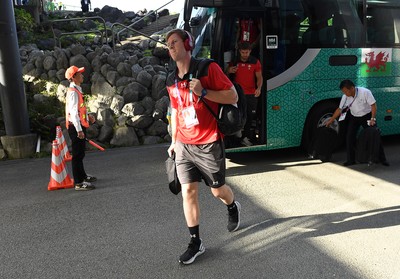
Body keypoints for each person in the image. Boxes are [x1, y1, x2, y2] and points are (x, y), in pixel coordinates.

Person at [165, 29, 242, 265]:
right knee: (188, 191)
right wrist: (174, 141)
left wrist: (204, 92)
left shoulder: (208, 69)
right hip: (184, 145)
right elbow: (176, 110)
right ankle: (195, 241)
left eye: (174, 42)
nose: (170, 47)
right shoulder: (170, 79)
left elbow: (233, 96)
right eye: (167, 44)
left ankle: (232, 205)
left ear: (188, 44)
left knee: (217, 191)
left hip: (209, 142)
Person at [325, 79, 389, 166]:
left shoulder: (365, 92)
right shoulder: (345, 97)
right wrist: (331, 120)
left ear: (351, 88)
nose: (344, 93)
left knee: (375, 136)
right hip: (354, 117)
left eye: (345, 91)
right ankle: (351, 160)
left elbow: (373, 105)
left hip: (367, 116)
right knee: (349, 138)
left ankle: (382, 159)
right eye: (343, 92)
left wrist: (372, 119)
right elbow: (340, 109)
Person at [65, 66, 97, 191]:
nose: (82, 75)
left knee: (80, 153)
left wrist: (88, 116)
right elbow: (73, 112)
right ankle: (78, 183)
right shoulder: (73, 92)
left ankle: (82, 176)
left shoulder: (77, 89)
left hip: (79, 125)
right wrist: (79, 130)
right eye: (79, 74)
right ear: (73, 77)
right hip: (75, 126)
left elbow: (80, 108)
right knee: (77, 155)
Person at [226, 41, 263, 146]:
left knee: (249, 117)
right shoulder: (234, 61)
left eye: (247, 52)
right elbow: (224, 74)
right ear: (239, 52)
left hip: (251, 94)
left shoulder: (255, 62)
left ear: (250, 51)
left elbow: (259, 77)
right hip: (237, 93)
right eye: (243, 52)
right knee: (237, 116)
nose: (245, 55)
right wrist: (229, 70)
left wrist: (259, 88)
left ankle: (246, 137)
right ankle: (236, 137)